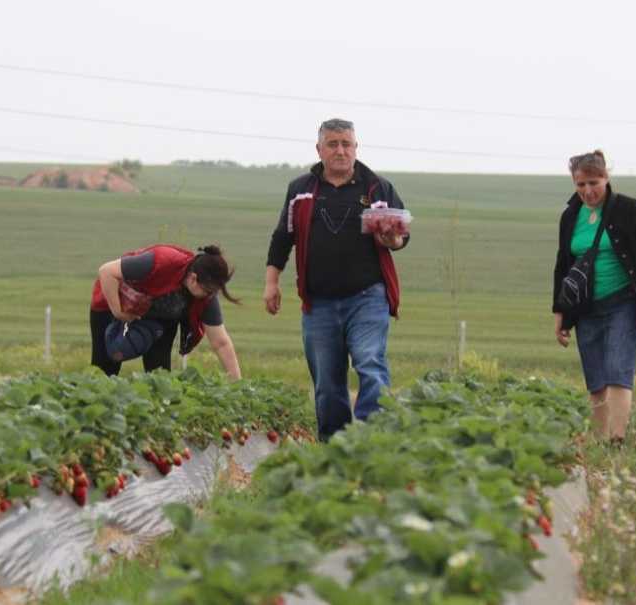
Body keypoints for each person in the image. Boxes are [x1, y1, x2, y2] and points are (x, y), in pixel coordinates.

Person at [264, 118, 409, 441]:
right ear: (319, 150)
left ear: (356, 148)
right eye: (333, 144)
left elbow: (401, 237)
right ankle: (335, 452)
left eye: (347, 144)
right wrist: (271, 282)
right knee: (328, 385)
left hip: (368, 297)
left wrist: (392, 239)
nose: (341, 151)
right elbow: (282, 237)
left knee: (370, 364)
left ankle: (372, 442)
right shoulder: (301, 190)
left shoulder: (377, 188)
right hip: (318, 302)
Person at [552, 150, 636, 443]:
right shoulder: (570, 216)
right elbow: (563, 265)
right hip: (585, 306)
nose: (588, 191)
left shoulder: (632, 211)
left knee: (617, 369)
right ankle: (600, 440)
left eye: (593, 182)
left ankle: (617, 440)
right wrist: (560, 314)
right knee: (596, 377)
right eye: (580, 185)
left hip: (624, 301)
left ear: (606, 177)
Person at [90, 244, 242, 380]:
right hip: (115, 303)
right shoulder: (162, 261)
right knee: (105, 370)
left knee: (159, 377)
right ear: (193, 279)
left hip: (158, 321)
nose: (209, 296)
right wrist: (118, 312)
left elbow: (221, 342)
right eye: (208, 291)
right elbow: (106, 271)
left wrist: (237, 383)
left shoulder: (206, 296)